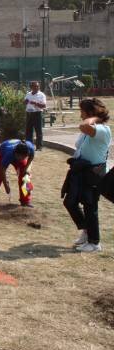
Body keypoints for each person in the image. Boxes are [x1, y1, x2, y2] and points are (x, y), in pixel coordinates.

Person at [62, 98, 111, 253]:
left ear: (91, 113)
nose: (80, 114)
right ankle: (87, 230)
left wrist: (96, 118)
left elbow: (84, 126)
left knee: (90, 206)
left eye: (82, 111)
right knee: (70, 202)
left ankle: (94, 243)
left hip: (93, 173)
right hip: (80, 171)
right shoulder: (91, 128)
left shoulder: (102, 130)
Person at [0, 139, 35, 207]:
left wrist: (26, 169)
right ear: (15, 153)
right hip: (3, 150)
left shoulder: (30, 148)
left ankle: (25, 201)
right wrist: (6, 185)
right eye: (19, 157)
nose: (20, 159)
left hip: (16, 151)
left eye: (23, 157)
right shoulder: (8, 153)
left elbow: (31, 157)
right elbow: (2, 170)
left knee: (25, 177)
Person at [24, 81, 46, 150]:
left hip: (37, 113)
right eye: (35, 86)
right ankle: (29, 146)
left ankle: (39, 147)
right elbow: (24, 103)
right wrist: (25, 102)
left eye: (37, 86)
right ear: (31, 87)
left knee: (38, 131)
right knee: (28, 131)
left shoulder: (41, 95)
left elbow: (44, 106)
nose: (36, 88)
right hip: (29, 114)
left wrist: (36, 103)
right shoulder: (28, 94)